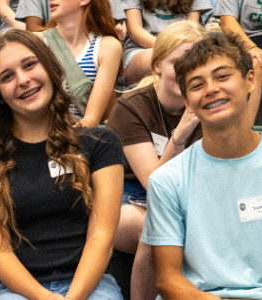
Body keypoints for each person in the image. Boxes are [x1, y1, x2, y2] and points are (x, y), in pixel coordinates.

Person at [141, 32, 262, 300]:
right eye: (196, 85)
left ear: (250, 80)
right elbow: (167, 279)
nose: (211, 89)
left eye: (222, 76)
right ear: (187, 101)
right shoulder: (168, 179)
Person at [0, 29, 124, 300]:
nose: (23, 80)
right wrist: (45, 298)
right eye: (7, 76)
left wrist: (72, 298)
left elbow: (101, 238)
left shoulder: (101, 144)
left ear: (49, 67)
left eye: (29, 65)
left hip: (91, 286)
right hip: (16, 291)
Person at [103, 20, 207, 300]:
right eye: (178, 63)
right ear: (158, 64)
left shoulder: (210, 105)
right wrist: (181, 133)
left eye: (196, 65)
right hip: (125, 199)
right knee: (157, 227)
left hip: (187, 197)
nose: (187, 74)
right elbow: (154, 183)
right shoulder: (131, 107)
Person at [37, 0, 121, 127]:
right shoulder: (36, 42)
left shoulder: (108, 47)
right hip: (41, 132)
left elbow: (91, 120)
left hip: (80, 137)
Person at [118, 0, 211, 85]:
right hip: (141, 49)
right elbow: (135, 31)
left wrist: (180, 50)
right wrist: (170, 48)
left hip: (184, 47)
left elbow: (192, 29)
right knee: (170, 59)